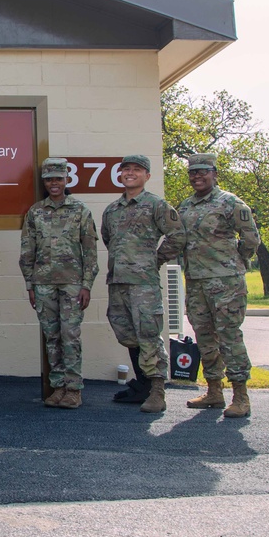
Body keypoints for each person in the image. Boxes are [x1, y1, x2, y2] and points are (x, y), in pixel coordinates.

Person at [177, 153, 260, 418]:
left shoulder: (230, 202)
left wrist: (235, 261)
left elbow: (251, 238)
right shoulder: (186, 206)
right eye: (193, 173)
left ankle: (241, 395)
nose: (198, 177)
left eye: (203, 172)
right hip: (196, 282)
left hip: (226, 283)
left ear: (215, 174)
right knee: (204, 338)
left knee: (229, 337)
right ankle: (214, 391)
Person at [101, 155, 186, 413]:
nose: (130, 173)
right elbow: (108, 239)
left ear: (147, 176)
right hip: (118, 283)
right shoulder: (112, 210)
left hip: (143, 285)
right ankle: (142, 386)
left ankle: (158, 392)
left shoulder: (156, 205)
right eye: (126, 169)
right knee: (128, 335)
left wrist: (155, 259)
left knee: (149, 335)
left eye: (136, 170)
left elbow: (178, 235)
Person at [19, 157, 99, 409]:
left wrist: (87, 285)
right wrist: (30, 285)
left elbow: (91, 252)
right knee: (51, 337)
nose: (54, 183)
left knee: (70, 336)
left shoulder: (80, 211)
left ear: (66, 180)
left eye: (58, 178)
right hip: (43, 284)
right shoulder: (35, 212)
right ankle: (58, 386)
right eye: (49, 179)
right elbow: (27, 252)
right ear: (44, 182)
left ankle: (73, 389)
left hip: (72, 284)